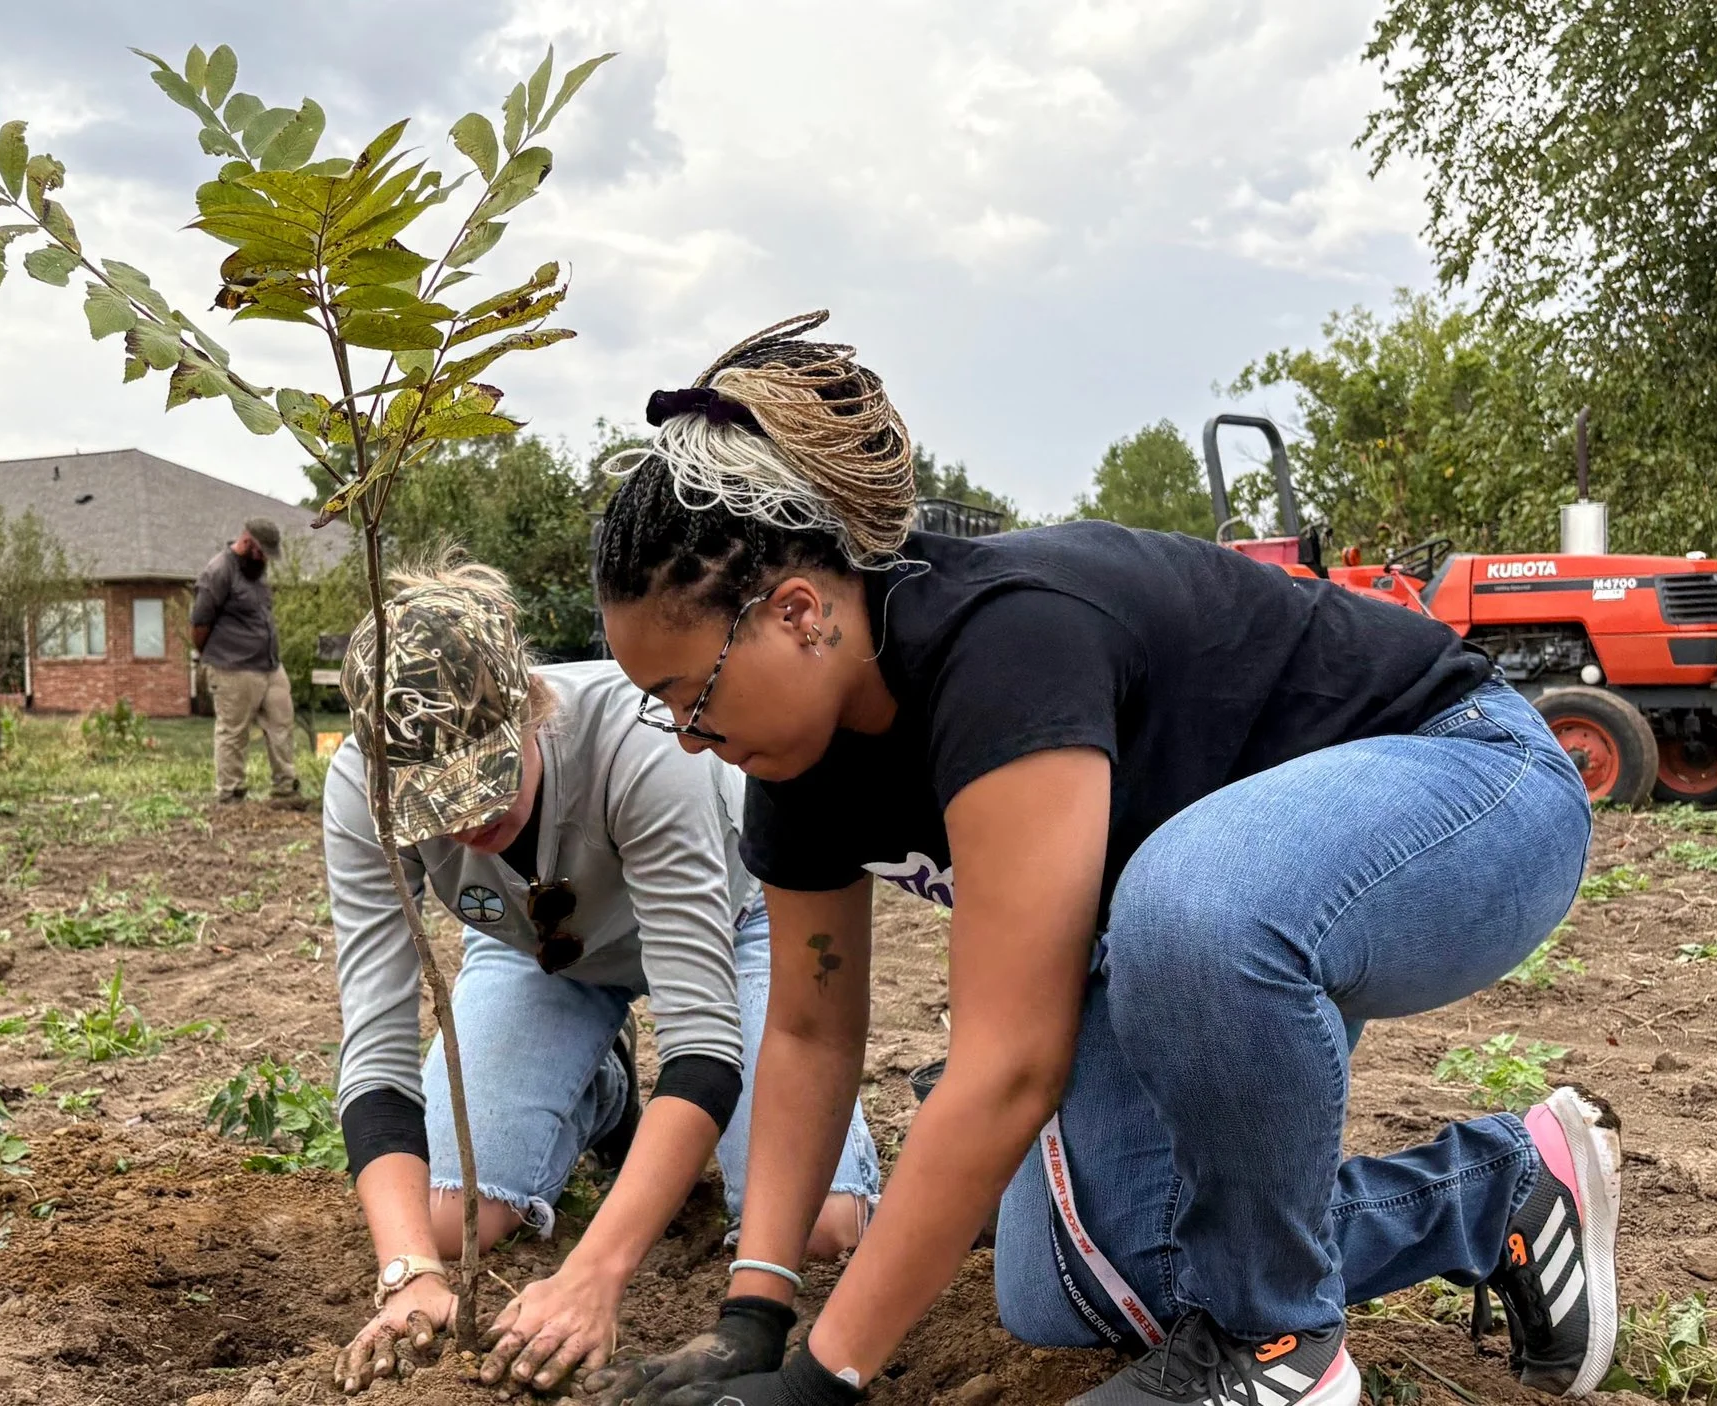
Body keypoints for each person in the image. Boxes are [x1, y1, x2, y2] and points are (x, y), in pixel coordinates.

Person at [578, 314, 1609, 1406]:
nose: (685, 735)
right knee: (1080, 1283)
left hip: (1471, 785)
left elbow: (1009, 1063)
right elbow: (807, 1028)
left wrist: (821, 1383)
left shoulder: (1003, 648)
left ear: (797, 613)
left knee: (1187, 902)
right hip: (1212, 911)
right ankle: (1501, 1190)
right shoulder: (794, 748)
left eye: (690, 692)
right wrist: (755, 1317)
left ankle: (1276, 1345)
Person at [322, 562, 880, 1399]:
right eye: (437, 806)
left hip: (734, 926)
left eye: (487, 782)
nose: (467, 824)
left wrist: (596, 1273)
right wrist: (408, 1273)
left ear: (531, 707)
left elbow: (702, 1045)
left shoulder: (642, 743)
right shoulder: (363, 789)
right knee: (442, 1220)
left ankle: (785, 1161)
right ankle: (604, 1091)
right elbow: (377, 1052)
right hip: (544, 953)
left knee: (822, 1227)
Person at [192, 517, 302, 806]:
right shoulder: (219, 571)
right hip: (233, 667)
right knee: (233, 731)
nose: (265, 559)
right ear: (247, 543)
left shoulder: (257, 573)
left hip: (269, 665)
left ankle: (285, 788)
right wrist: (214, 657)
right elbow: (200, 624)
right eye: (262, 552)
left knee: (281, 724)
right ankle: (231, 792)